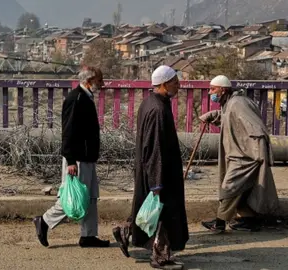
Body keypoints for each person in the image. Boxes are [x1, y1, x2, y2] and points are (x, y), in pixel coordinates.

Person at [112, 65, 188, 270]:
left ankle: (125, 231)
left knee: (148, 211)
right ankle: (160, 257)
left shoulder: (151, 103)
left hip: (153, 170)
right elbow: (154, 147)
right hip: (159, 172)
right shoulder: (157, 110)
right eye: (174, 82)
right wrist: (157, 181)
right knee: (162, 214)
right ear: (163, 84)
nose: (178, 86)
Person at [33, 66, 110, 248]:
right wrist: (70, 160)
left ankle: (88, 236)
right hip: (78, 159)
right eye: (99, 80)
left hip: (87, 156)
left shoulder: (84, 98)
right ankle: (44, 221)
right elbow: (68, 131)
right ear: (89, 81)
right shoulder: (75, 99)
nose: (102, 84)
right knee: (74, 198)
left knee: (90, 197)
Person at [199, 75, 279, 232]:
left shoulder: (238, 103)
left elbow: (256, 127)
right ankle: (247, 220)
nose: (210, 93)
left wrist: (259, 152)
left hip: (245, 155)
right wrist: (214, 116)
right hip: (240, 153)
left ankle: (220, 223)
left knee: (229, 186)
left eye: (213, 89)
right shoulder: (231, 103)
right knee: (244, 188)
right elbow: (232, 120)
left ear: (223, 89)